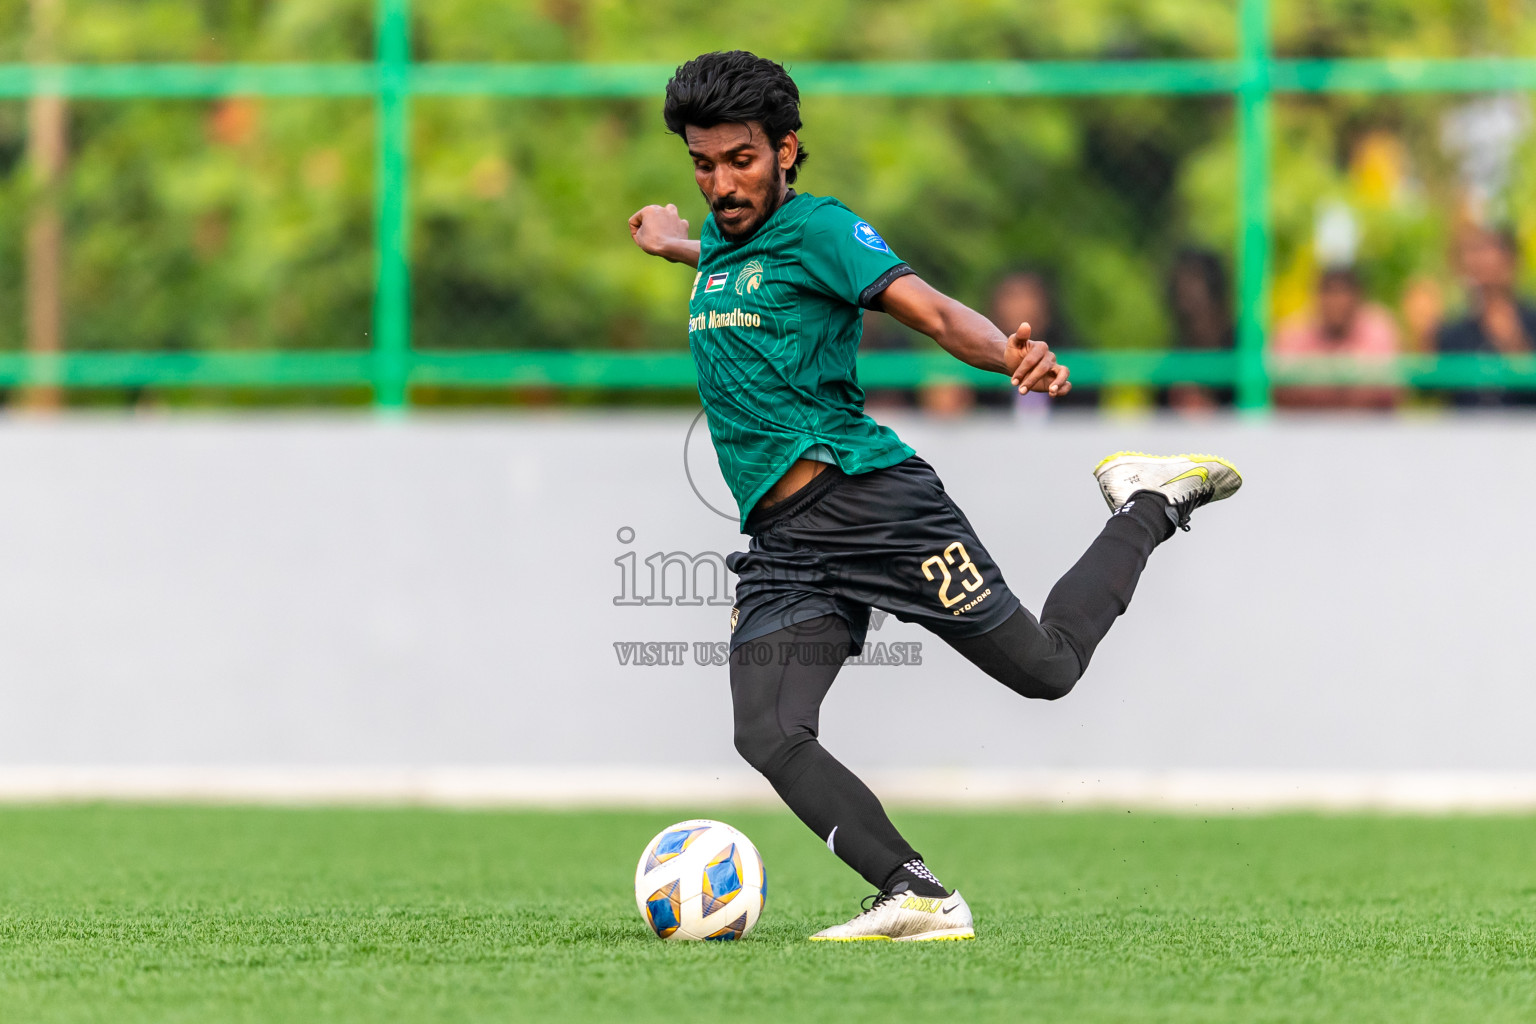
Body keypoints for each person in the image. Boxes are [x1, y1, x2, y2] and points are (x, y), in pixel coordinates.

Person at [627, 51, 1242, 942]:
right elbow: (731, 258)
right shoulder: (726, 241)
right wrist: (669, 241)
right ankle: (915, 893)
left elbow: (936, 312)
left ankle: (1147, 503)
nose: (722, 183)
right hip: (787, 544)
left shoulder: (825, 232)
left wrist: (1011, 356)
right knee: (766, 729)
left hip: (873, 504)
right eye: (703, 163)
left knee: (1046, 671)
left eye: (741, 161)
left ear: (788, 150)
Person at [1272, 266, 1402, 411]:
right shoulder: (1294, 333)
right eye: (1329, 292)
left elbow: (1388, 390)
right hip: (1306, 428)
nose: (1336, 302)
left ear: (1358, 296)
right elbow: (1280, 388)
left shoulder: (1379, 329)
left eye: (1343, 293)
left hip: (1366, 429)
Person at [1436, 225, 1536, 408]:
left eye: (1488, 249)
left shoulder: (1530, 321)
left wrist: (1514, 343)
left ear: (1511, 260)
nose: (1479, 260)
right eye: (1473, 251)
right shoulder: (1452, 332)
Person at [1163, 248, 1236, 413]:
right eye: (1181, 281)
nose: (1185, 288)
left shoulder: (1243, 352)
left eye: (1194, 279)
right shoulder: (1172, 363)